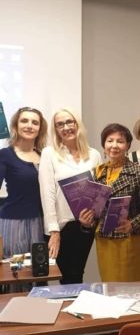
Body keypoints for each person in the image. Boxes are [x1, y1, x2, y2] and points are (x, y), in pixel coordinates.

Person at [79, 123, 140, 282]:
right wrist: (87, 222)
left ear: (127, 145)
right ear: (104, 145)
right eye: (110, 141)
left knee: (132, 290)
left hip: (131, 241)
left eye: (120, 141)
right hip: (105, 242)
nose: (114, 145)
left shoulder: (139, 172)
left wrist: (132, 225)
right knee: (110, 289)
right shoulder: (97, 173)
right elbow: (95, 212)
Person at [39, 109, 102, 284]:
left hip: (84, 225)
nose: (66, 127)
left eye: (69, 122)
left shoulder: (94, 155)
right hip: (61, 226)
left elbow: (99, 191)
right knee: (64, 277)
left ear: (77, 124)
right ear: (55, 130)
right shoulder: (49, 153)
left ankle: (76, 303)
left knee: (76, 275)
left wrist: (91, 219)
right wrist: (54, 231)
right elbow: (47, 193)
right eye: (60, 124)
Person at [0, 107, 47, 258]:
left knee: (38, 269)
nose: (29, 126)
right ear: (16, 125)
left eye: (35, 122)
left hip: (40, 223)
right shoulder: (5, 155)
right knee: (15, 268)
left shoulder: (45, 156)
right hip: (13, 222)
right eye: (24, 121)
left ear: (40, 129)